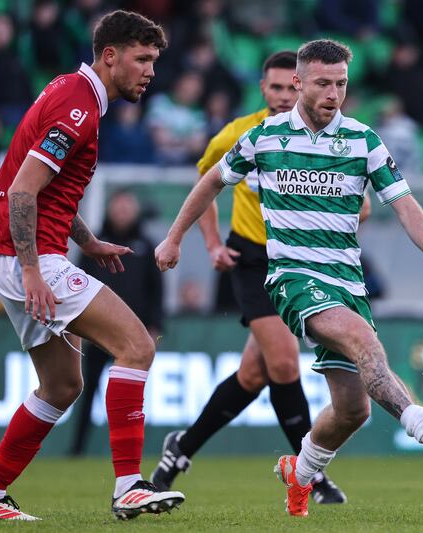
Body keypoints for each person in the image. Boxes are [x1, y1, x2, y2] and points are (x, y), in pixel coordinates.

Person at [155, 39, 423, 518]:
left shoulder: (363, 140)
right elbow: (211, 181)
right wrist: (175, 238)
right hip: (292, 279)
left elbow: (404, 203)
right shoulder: (263, 137)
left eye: (341, 84)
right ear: (299, 83)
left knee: (352, 410)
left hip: (347, 283)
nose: (333, 93)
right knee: (363, 342)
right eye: (323, 83)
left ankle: (299, 474)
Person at [0, 11, 184, 521]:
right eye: (142, 59)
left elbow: (46, 189)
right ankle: (129, 486)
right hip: (30, 258)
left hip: (15, 254)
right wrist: (34, 271)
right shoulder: (78, 109)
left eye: (154, 61)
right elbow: (23, 191)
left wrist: (88, 240)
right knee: (137, 347)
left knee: (63, 385)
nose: (150, 72)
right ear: (110, 56)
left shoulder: (71, 91)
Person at [150, 51, 348, 504]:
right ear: (262, 89)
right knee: (284, 364)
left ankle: (181, 449)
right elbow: (206, 181)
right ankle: (311, 474)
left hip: (300, 261)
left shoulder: (325, 136)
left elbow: (362, 204)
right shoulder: (240, 133)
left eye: (289, 87)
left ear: (302, 86)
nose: (282, 96)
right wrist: (211, 243)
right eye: (274, 87)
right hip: (254, 260)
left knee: (254, 374)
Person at [70, 189, 164, 456]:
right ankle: (77, 448)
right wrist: (80, 325)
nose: (122, 212)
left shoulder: (145, 245)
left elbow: (156, 290)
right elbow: (77, 281)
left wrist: (154, 325)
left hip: (134, 334)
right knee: (87, 390)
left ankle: (133, 448)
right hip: (98, 331)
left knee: (131, 393)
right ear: (110, 209)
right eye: (119, 206)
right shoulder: (92, 243)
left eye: (127, 207)